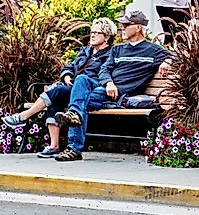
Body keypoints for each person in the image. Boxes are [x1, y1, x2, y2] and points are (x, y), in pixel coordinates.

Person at [51, 10, 172, 162]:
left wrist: (167, 61)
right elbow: (104, 69)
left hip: (120, 94)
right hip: (105, 88)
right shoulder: (117, 49)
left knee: (79, 103)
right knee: (81, 79)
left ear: (138, 28)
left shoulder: (153, 50)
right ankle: (74, 120)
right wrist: (109, 83)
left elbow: (177, 57)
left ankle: (73, 149)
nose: (122, 27)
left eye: (126, 25)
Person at [2, 17, 117, 157]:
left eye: (97, 33)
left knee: (57, 91)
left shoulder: (110, 54)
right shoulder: (85, 51)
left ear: (107, 37)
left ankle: (23, 117)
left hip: (88, 91)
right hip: (72, 87)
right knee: (56, 98)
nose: (92, 35)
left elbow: (104, 75)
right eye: (91, 32)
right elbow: (70, 65)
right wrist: (67, 76)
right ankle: (54, 146)